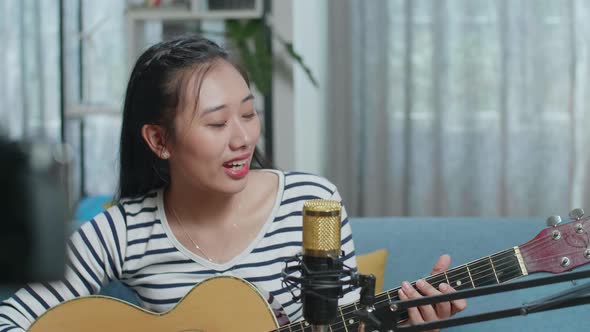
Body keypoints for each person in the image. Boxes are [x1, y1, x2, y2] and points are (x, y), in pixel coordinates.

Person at [0, 35, 465, 331]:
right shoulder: (121, 231)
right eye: (218, 124)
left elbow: (344, 322)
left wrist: (412, 321)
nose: (243, 138)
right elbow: (11, 318)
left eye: (248, 113)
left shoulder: (312, 201)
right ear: (160, 139)